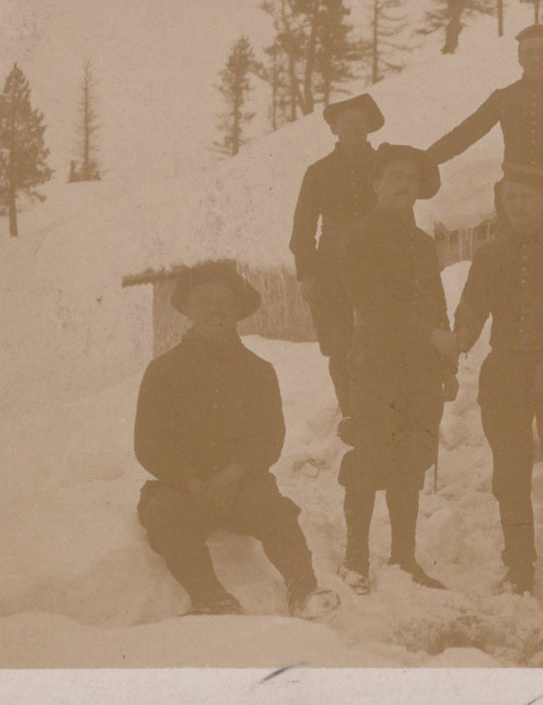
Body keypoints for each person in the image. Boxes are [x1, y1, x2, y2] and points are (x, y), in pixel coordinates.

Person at [134, 260, 338, 619]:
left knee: (275, 510)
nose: (216, 310)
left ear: (238, 310)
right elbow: (149, 444)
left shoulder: (259, 372)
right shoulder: (163, 371)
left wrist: (233, 474)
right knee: (166, 515)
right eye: (204, 301)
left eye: (224, 301)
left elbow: (269, 438)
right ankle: (211, 598)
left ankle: (303, 591)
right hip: (183, 486)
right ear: (188, 309)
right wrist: (190, 481)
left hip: (241, 483)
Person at [453, 163, 543, 619]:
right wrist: (461, 334)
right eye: (511, 196)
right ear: (503, 200)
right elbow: (473, 306)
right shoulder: (488, 254)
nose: (519, 205)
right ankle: (519, 567)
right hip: (505, 373)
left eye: (528, 197)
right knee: (509, 477)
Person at [336, 143, 458, 593]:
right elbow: (372, 303)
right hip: (377, 364)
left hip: (421, 370)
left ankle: (404, 558)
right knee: (370, 455)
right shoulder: (357, 236)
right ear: (376, 183)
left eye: (411, 178)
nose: (404, 184)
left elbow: (435, 304)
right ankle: (355, 560)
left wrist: (445, 362)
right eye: (395, 176)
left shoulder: (424, 244)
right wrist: (428, 335)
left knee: (410, 459)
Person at [425, 24, 543, 234]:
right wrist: (425, 159)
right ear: (519, 59)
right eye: (529, 52)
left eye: (541, 52)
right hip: (515, 198)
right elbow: (467, 133)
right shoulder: (504, 97)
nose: (535, 58)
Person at [289, 93, 384, 413]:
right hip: (332, 271)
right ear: (334, 130)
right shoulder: (318, 172)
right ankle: (351, 414)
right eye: (346, 123)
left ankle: (384, 415)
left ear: (370, 127)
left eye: (360, 123)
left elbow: (402, 213)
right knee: (340, 346)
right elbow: (303, 227)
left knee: (383, 340)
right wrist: (307, 274)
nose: (354, 129)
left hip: (381, 267)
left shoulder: (385, 165)